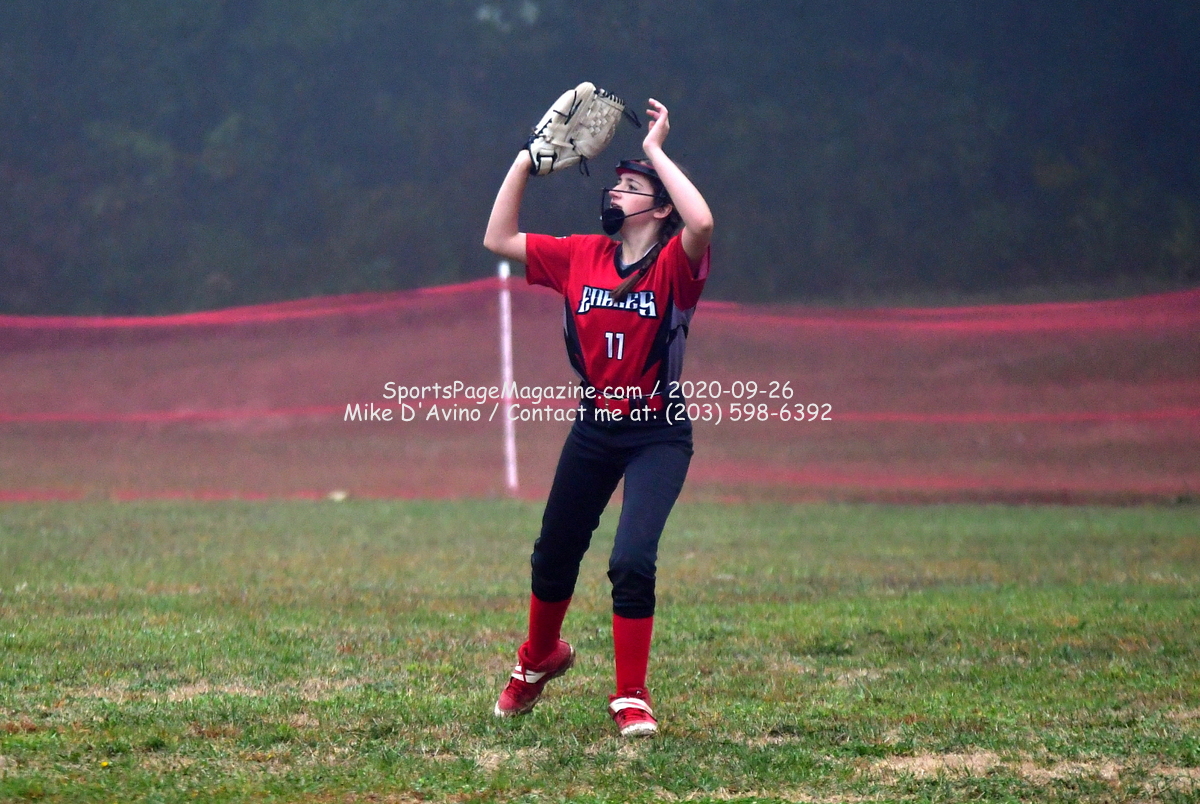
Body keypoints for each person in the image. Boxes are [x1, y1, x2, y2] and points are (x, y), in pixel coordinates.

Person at [483, 97, 714, 737]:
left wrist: (657, 152)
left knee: (632, 560)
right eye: (615, 184)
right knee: (554, 552)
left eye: (631, 187)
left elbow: (701, 221)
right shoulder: (581, 254)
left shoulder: (674, 264)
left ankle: (631, 695)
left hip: (657, 434)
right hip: (595, 427)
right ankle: (538, 658)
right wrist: (525, 162)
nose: (614, 192)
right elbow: (497, 238)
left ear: (660, 207)